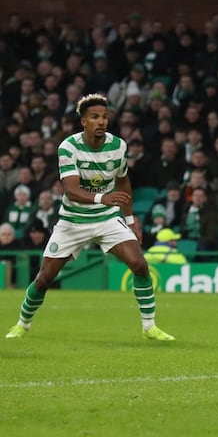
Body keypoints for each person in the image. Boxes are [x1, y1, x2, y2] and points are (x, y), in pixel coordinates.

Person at [5, 94, 175, 341]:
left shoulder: (118, 146)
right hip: (73, 220)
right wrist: (102, 198)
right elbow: (71, 189)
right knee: (44, 279)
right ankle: (23, 323)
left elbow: (123, 181)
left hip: (106, 218)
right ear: (83, 121)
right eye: (95, 117)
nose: (101, 121)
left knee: (140, 265)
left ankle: (149, 327)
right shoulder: (68, 147)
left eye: (105, 117)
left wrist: (130, 222)